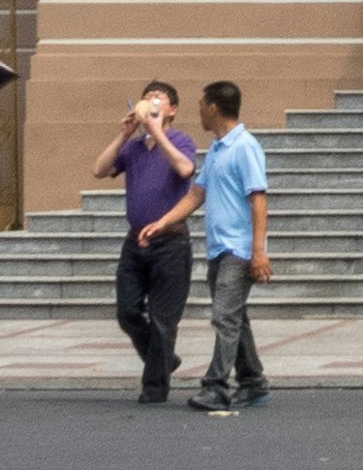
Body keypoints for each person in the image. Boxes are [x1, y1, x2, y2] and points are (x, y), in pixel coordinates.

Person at [93, 80, 200, 403]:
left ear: (172, 110)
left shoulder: (181, 140)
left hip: (171, 243)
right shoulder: (134, 146)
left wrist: (159, 133)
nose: (152, 101)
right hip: (135, 242)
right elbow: (99, 170)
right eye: (147, 97)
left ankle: (154, 389)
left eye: (160, 98)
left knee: (164, 319)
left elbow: (185, 169)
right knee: (127, 311)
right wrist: (125, 133)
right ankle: (164, 359)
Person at [184, 78, 272, 412]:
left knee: (224, 317)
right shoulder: (218, 150)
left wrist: (258, 251)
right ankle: (253, 382)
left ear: (214, 107)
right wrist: (164, 222)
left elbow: (258, 199)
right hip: (219, 247)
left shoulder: (245, 146)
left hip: (239, 249)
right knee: (235, 318)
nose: (200, 112)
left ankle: (216, 386)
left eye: (202, 105)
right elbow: (197, 193)